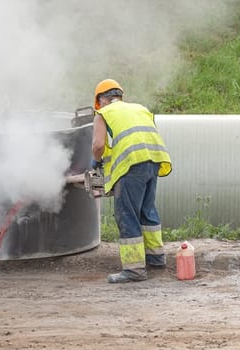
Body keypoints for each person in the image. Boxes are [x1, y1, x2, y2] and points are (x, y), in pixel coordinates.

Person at [91, 79, 173, 283]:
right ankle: (156, 259)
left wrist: (96, 160)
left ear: (101, 101)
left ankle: (134, 269)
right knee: (147, 210)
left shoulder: (103, 114)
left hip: (131, 165)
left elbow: (98, 144)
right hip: (153, 160)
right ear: (119, 96)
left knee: (127, 214)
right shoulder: (140, 109)